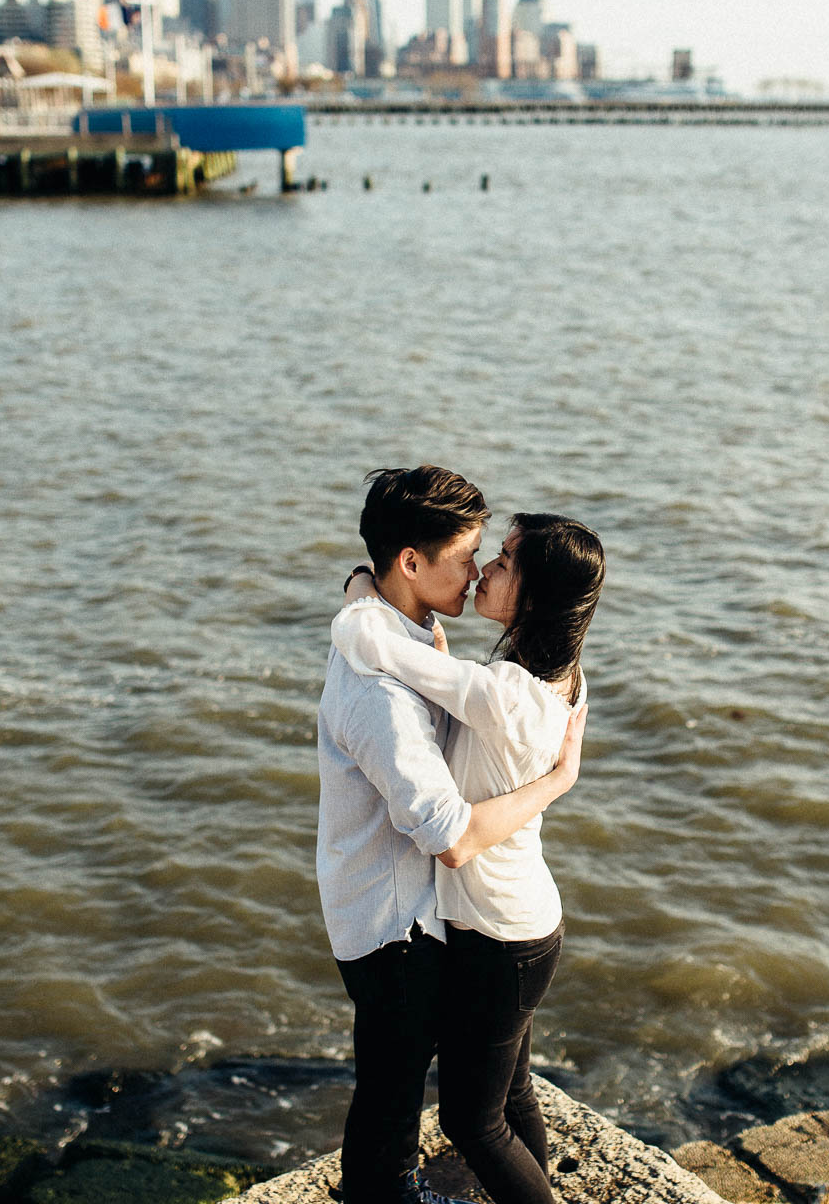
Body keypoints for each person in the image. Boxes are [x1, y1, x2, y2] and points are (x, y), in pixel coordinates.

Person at [316, 467, 588, 1204]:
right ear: (409, 562)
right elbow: (453, 836)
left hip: (479, 922)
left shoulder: (423, 639)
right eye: (470, 555)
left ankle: (384, 1191)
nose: (477, 572)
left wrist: (358, 596)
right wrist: (557, 783)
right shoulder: (388, 691)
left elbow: (386, 627)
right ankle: (385, 1193)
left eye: (493, 560)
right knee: (402, 1094)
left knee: (446, 1104)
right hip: (397, 923)